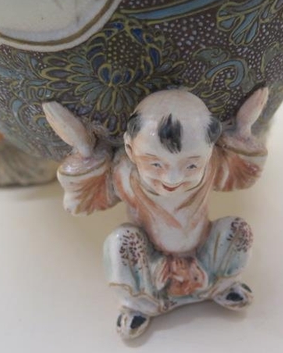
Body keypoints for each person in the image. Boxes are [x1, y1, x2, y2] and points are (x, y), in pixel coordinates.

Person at [44, 87, 269, 339]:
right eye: (155, 164)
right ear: (130, 150)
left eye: (191, 165)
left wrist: (243, 130)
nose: (172, 178)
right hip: (152, 261)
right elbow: (84, 199)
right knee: (121, 241)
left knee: (238, 229)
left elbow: (242, 172)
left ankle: (220, 284)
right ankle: (139, 304)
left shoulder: (213, 165)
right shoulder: (125, 173)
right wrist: (84, 150)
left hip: (202, 252)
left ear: (209, 152)